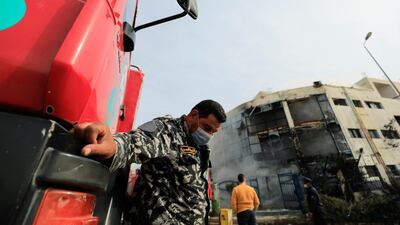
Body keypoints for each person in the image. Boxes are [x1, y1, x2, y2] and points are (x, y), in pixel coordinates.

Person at [73, 100, 226, 225]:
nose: (208, 135)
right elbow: (135, 143)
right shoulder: (169, 130)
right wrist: (114, 146)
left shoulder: (200, 148)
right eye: (207, 128)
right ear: (194, 115)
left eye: (213, 132)